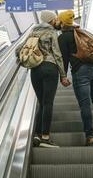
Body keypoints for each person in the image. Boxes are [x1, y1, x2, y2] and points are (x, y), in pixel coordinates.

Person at [58, 10, 93, 146]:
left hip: (80, 72)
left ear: (62, 22)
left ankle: (90, 136)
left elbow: (64, 59)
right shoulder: (81, 31)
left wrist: (63, 75)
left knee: (85, 105)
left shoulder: (63, 38)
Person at [29, 10, 70, 148]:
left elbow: (20, 50)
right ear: (51, 20)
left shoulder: (33, 31)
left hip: (34, 70)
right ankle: (45, 137)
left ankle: (36, 135)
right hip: (50, 68)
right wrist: (63, 75)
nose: (56, 21)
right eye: (54, 19)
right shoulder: (52, 31)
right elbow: (57, 54)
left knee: (42, 103)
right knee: (48, 103)